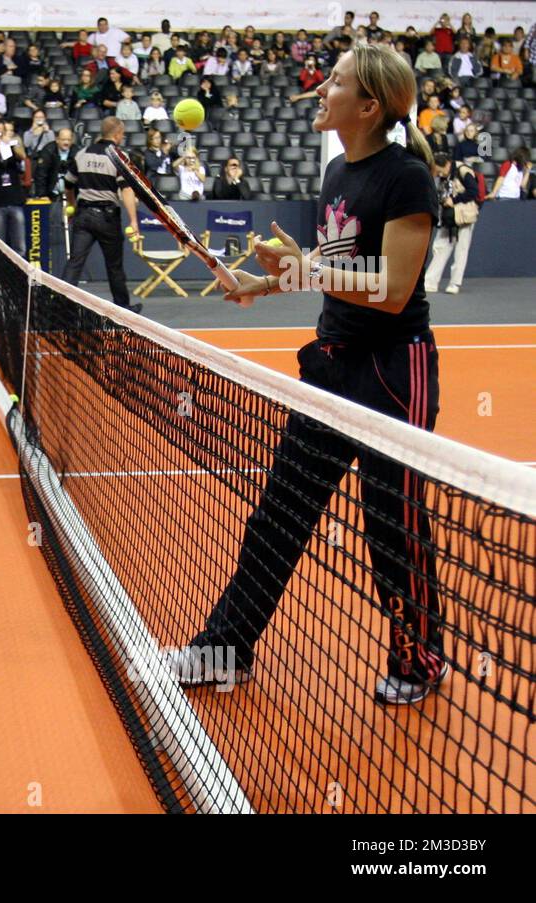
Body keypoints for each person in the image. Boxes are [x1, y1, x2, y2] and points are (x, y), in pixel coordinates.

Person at [179, 43, 447, 706]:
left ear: (368, 105)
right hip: (331, 366)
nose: (319, 90)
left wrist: (299, 270)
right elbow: (336, 277)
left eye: (334, 82)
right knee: (279, 516)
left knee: (394, 528)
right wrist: (263, 282)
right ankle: (226, 649)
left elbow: (388, 289)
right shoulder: (336, 174)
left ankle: (420, 658)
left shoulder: (406, 177)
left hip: (393, 371)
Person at [62, 117, 141, 311]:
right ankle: (123, 308)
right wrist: (133, 220)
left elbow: (68, 184)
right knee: (114, 266)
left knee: (75, 263)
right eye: (122, 134)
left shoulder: (81, 154)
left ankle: (59, 305)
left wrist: (72, 205)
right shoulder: (118, 157)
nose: (122, 138)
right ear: (116, 134)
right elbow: (127, 190)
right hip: (107, 217)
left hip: (83, 214)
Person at [424, 154, 478, 294]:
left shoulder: (463, 170)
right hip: (449, 217)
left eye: (441, 170)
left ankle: (454, 284)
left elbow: (473, 191)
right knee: (440, 246)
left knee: (461, 250)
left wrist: (454, 200)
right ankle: (430, 282)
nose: (440, 173)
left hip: (464, 215)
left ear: (448, 164)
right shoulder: (443, 176)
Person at [0, 121, 29, 256]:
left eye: (1, 133)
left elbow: (23, 156)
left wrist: (10, 143)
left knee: (20, 245)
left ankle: (19, 275)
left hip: (14, 200)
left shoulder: (12, 144)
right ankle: (1, 275)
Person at [33, 128, 75, 200]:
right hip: (51, 194)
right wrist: (42, 195)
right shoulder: (48, 151)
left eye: (69, 140)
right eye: (63, 139)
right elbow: (41, 174)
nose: (66, 142)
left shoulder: (76, 152)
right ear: (57, 140)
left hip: (70, 195)